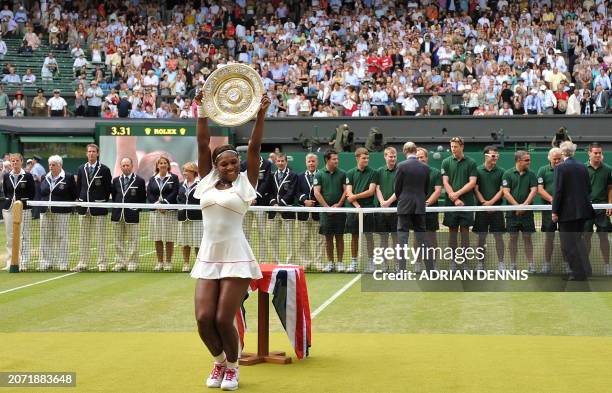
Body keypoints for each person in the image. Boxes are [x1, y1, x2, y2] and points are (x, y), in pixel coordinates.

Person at [191, 93, 269, 391]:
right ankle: (219, 361)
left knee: (224, 319)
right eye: (224, 163)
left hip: (236, 255)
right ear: (214, 165)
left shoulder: (246, 184)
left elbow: (255, 147)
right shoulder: (206, 181)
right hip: (209, 255)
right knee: (203, 318)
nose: (230, 167)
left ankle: (233, 368)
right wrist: (201, 111)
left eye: (234, 163)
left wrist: (260, 114)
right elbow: (202, 143)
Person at [552, 141, 595, 281]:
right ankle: (586, 270)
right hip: (582, 212)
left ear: (562, 152)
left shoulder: (560, 168)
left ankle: (578, 273)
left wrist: (555, 211)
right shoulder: (583, 166)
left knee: (568, 244)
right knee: (578, 241)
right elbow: (589, 188)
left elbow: (558, 191)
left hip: (567, 214)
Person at [74, 144, 112, 271]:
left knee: (101, 237)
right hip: (84, 207)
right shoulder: (81, 168)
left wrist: (100, 201)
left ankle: (102, 263)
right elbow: (79, 187)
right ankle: (83, 262)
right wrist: (81, 201)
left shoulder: (105, 169)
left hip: (99, 207)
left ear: (97, 153)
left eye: (93, 151)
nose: (91, 154)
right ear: (86, 153)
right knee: (83, 237)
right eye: (89, 151)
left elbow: (108, 189)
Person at [441, 137, 477, 270]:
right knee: (452, 234)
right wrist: (455, 199)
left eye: (455, 147)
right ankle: (453, 262)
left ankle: (465, 262)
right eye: (451, 147)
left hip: (467, 204)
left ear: (462, 146)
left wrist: (457, 194)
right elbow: (445, 182)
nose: (453, 149)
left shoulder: (471, 163)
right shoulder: (446, 162)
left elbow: (472, 182)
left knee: (465, 234)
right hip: (451, 204)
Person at [394, 142, 429, 271]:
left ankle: (401, 270)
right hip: (419, 206)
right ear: (415, 151)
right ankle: (430, 270)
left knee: (402, 240)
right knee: (423, 239)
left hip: (404, 206)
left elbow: (397, 188)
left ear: (404, 151)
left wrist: (402, 199)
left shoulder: (401, 166)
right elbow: (426, 189)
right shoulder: (425, 167)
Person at [39, 155, 77, 271]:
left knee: (62, 237)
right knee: (45, 237)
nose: (51, 167)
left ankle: (63, 263)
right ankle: (46, 263)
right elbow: (42, 192)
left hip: (61, 212)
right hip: (45, 211)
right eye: (50, 165)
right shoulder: (44, 177)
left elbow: (74, 194)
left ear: (60, 165)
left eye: (53, 165)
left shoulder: (68, 177)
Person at [502, 151, 538, 272]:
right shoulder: (507, 174)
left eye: (529, 159)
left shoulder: (532, 174)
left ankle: (531, 264)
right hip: (512, 213)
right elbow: (506, 192)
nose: (529, 162)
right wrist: (517, 206)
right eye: (526, 160)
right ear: (518, 160)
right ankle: (512, 264)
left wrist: (525, 206)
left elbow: (534, 190)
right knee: (513, 239)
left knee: (527, 238)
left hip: (527, 213)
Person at [313, 149, 347, 272]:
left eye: (337, 159)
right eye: (334, 159)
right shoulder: (319, 174)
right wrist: (327, 208)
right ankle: (331, 263)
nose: (337, 161)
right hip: (325, 212)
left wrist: (338, 205)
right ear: (327, 160)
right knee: (328, 238)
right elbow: (317, 192)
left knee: (339, 237)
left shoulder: (342, 173)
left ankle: (340, 263)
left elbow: (346, 191)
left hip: (340, 211)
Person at [110, 157, 146, 272]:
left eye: (127, 165)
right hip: (117, 214)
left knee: (133, 240)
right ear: (121, 167)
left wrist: (135, 210)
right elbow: (114, 195)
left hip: (132, 215)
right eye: (123, 165)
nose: (125, 167)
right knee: (117, 240)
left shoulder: (139, 180)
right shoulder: (116, 180)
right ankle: (120, 262)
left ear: (132, 166)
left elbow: (142, 198)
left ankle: (132, 263)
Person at [344, 147, 378, 272]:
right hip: (354, 209)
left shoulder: (373, 173)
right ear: (357, 158)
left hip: (368, 209)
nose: (366, 160)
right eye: (364, 158)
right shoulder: (350, 173)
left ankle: (371, 262)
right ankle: (353, 262)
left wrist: (355, 198)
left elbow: (371, 191)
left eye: (368, 158)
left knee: (369, 236)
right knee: (354, 236)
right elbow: (348, 191)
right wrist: (358, 206)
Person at [473, 146, 506, 271]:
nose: (495, 157)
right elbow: (475, 189)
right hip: (482, 210)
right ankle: (480, 264)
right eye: (493, 155)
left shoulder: (502, 171)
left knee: (498, 236)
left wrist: (491, 203)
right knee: (481, 237)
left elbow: (502, 190)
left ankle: (501, 263)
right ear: (486, 156)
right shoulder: (477, 170)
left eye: (497, 155)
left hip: (496, 209)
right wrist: (483, 203)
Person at [1, 153, 35, 271]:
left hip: (24, 209)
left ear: (21, 161)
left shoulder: (28, 176)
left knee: (24, 235)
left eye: (17, 161)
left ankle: (24, 261)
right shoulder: (6, 176)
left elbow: (32, 193)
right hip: (9, 208)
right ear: (10, 162)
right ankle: (11, 261)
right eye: (12, 161)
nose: (14, 163)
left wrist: (21, 202)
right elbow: (6, 192)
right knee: (10, 236)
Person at [147, 156, 179, 271]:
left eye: (165, 163)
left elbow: (175, 192)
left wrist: (165, 203)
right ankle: (160, 262)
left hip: (169, 212)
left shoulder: (174, 178)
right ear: (157, 165)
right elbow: (149, 194)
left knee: (169, 238)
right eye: (160, 163)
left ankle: (168, 262)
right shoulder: (152, 179)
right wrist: (157, 205)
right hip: (156, 212)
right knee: (158, 237)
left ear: (168, 165)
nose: (163, 165)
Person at [583, 143, 611, 276]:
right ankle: (585, 266)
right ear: (589, 153)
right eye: (595, 153)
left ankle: (607, 266)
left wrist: (610, 205)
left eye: (600, 153)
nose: (598, 155)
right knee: (586, 238)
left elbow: (610, 188)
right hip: (586, 209)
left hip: (602, 209)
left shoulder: (607, 169)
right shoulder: (582, 169)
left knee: (604, 238)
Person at [536, 147, 564, 274]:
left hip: (565, 210)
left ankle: (567, 264)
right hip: (548, 210)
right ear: (549, 158)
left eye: (560, 158)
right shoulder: (542, 170)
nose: (557, 161)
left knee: (566, 237)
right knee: (549, 237)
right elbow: (540, 189)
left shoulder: (566, 169)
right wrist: (553, 200)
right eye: (555, 159)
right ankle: (547, 264)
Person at [241, 155, 273, 262]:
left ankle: (262, 260)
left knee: (262, 233)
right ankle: (246, 259)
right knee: (245, 233)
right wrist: (248, 197)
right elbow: (241, 183)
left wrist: (255, 196)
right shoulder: (243, 164)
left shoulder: (267, 164)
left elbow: (267, 181)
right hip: (246, 204)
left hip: (261, 203)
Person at [267, 152, 297, 264]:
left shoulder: (293, 175)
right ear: (275, 162)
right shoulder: (271, 175)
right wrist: (274, 203)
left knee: (290, 238)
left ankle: (290, 262)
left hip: (287, 211)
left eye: (282, 161)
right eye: (278, 161)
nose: (280, 163)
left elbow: (291, 192)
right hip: (273, 211)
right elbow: (269, 192)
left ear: (286, 162)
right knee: (273, 238)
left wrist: (281, 204)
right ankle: (276, 261)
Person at [416, 148, 442, 272]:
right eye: (417, 157)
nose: (420, 159)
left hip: (430, 210)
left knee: (432, 238)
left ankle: (433, 264)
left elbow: (437, 191)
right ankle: (418, 263)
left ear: (427, 158)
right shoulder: (411, 172)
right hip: (415, 210)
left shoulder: (435, 172)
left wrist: (426, 204)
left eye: (422, 157)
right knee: (417, 238)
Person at [296, 153, 324, 270]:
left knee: (319, 239)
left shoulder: (322, 175)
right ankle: (305, 263)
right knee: (303, 239)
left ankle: (318, 263)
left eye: (313, 161)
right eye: (309, 161)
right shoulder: (300, 176)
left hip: (317, 212)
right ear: (306, 163)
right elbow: (296, 192)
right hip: (304, 213)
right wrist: (304, 200)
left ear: (317, 163)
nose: (311, 163)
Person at [375, 147, 398, 272]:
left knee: (396, 239)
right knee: (383, 239)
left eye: (394, 156)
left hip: (396, 209)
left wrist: (389, 202)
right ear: (385, 157)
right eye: (390, 156)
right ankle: (384, 264)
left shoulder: (400, 171)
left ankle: (397, 265)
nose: (392, 158)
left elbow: (400, 190)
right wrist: (383, 203)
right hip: (382, 209)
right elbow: (377, 188)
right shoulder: (379, 171)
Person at [177, 162, 202, 273]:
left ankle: (199, 263)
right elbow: (179, 198)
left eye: (187, 171)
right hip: (183, 217)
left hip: (196, 217)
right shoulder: (182, 184)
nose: (184, 173)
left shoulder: (200, 184)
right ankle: (186, 263)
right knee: (185, 242)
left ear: (193, 172)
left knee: (198, 243)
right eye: (184, 171)